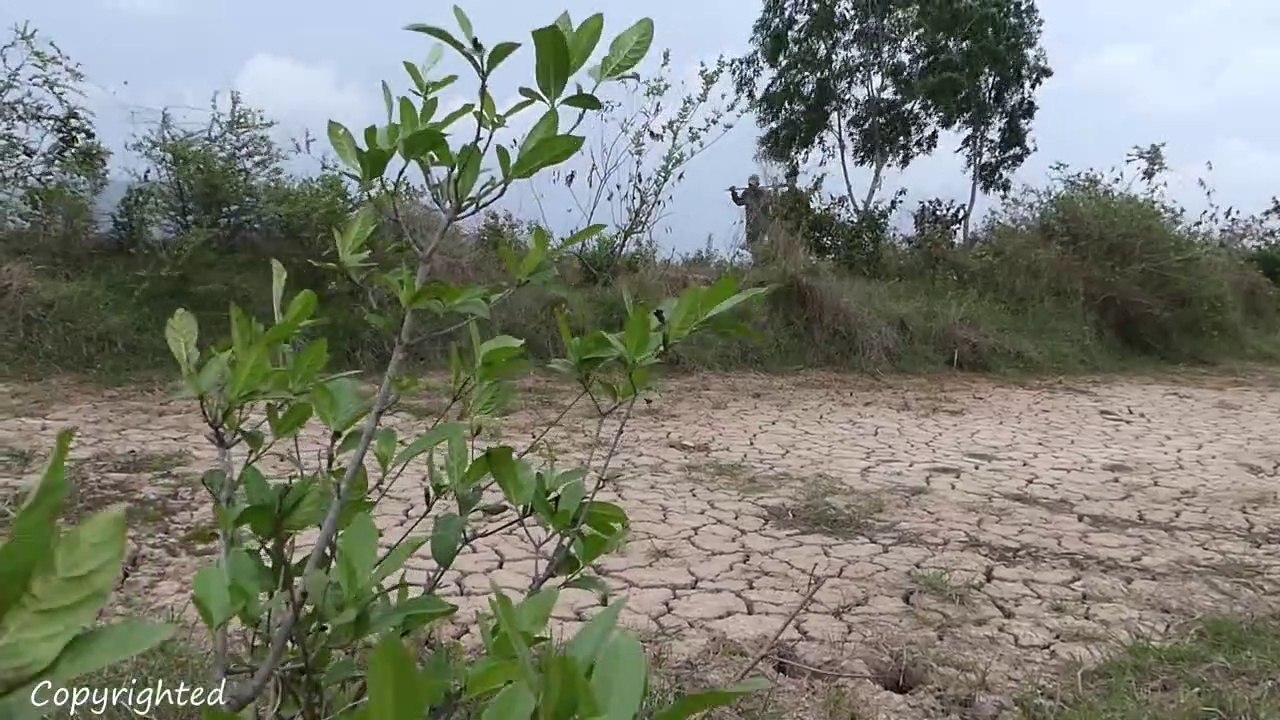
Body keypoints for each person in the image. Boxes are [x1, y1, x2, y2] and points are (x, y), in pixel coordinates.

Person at [729, 175, 769, 259]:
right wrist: (733, 193)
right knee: (751, 244)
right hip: (751, 223)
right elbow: (739, 202)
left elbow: (770, 202)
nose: (751, 186)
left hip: (762, 223)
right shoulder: (747, 193)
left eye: (753, 184)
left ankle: (763, 259)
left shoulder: (763, 193)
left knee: (762, 243)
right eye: (750, 184)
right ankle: (755, 260)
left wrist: (775, 190)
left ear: (757, 184)